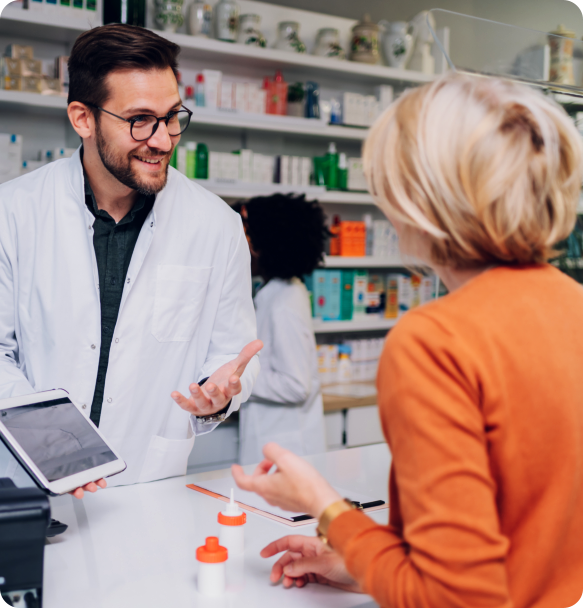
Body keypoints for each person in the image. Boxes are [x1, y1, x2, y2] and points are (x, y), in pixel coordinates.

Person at [232, 73, 583, 608]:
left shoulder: (436, 341)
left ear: (419, 200)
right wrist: (367, 562)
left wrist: (324, 504)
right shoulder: (572, 305)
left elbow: (453, 598)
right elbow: (525, 535)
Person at [0, 24, 262, 495]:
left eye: (172, 116)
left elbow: (231, 353)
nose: (163, 140)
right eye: (140, 120)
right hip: (28, 479)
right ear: (83, 118)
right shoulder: (13, 212)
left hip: (148, 482)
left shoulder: (215, 225)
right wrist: (52, 444)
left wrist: (217, 397)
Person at [233, 195, 328, 465]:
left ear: (262, 245)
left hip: (289, 451)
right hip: (273, 443)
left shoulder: (286, 300)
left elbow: (296, 385)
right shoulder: (274, 292)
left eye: (242, 239)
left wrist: (238, 377)